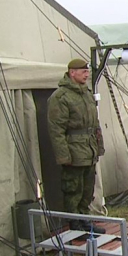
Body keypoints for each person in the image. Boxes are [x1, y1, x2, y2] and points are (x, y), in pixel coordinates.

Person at [47, 59, 106, 234]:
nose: (87, 75)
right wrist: (64, 156)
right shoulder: (61, 97)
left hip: (89, 149)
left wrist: (99, 147)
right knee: (73, 190)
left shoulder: (86, 94)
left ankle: (85, 220)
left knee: (88, 189)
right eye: (83, 72)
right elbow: (56, 129)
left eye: (87, 71)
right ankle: (75, 225)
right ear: (72, 73)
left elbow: (95, 124)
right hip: (74, 151)